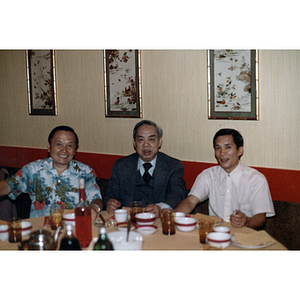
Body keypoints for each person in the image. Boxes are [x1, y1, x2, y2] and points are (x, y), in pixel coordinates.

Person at [173, 128, 275, 229]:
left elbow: (260, 218)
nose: (222, 153)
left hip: (245, 235)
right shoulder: (208, 175)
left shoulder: (256, 179)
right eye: (218, 148)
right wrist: (171, 216)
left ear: (240, 150)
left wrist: (247, 221)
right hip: (214, 234)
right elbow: (190, 202)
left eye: (228, 147)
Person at [0, 125, 103, 219]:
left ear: (75, 149)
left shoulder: (85, 171)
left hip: (74, 229)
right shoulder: (34, 169)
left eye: (69, 146)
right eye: (59, 144)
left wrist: (94, 208)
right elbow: (8, 186)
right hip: (42, 230)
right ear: (49, 147)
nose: (64, 150)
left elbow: (97, 199)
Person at [103, 120, 186, 218]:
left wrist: (160, 207)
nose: (146, 145)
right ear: (134, 143)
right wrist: (112, 203)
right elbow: (110, 195)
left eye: (151, 140)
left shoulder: (173, 166)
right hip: (129, 222)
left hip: (159, 222)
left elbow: (177, 195)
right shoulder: (121, 166)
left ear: (159, 142)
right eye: (141, 140)